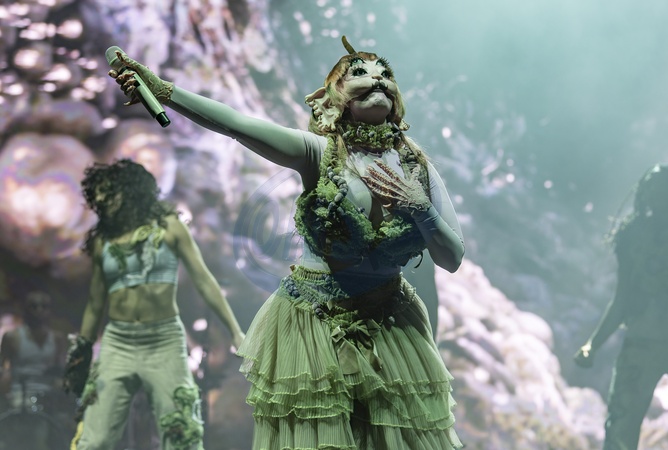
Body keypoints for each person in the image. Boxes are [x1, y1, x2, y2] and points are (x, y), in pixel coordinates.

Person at [109, 36, 465, 449]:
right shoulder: (319, 152)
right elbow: (235, 125)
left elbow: (452, 258)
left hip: (390, 326)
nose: (377, 79)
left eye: (385, 73)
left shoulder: (417, 166)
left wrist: (421, 208)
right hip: (314, 327)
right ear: (336, 96)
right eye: (360, 72)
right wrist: (163, 91)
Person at [64, 159, 245, 450]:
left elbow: (204, 281)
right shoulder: (103, 241)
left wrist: (236, 332)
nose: (101, 200)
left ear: (130, 190)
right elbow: (96, 304)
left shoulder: (170, 227)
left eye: (108, 192)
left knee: (182, 436)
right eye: (97, 195)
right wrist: (80, 352)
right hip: (118, 344)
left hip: (164, 342)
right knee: (95, 440)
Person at [574, 163, 668, 450]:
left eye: (663, 188)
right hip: (640, 343)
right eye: (651, 186)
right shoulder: (634, 236)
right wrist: (593, 344)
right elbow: (623, 298)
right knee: (620, 428)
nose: (655, 193)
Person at [0, 290, 69, 450]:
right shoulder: (12, 337)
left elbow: (61, 371)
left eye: (44, 306)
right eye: (34, 306)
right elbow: (2, 368)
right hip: (19, 394)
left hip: (48, 395)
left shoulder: (57, 339)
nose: (39, 311)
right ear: (25, 309)